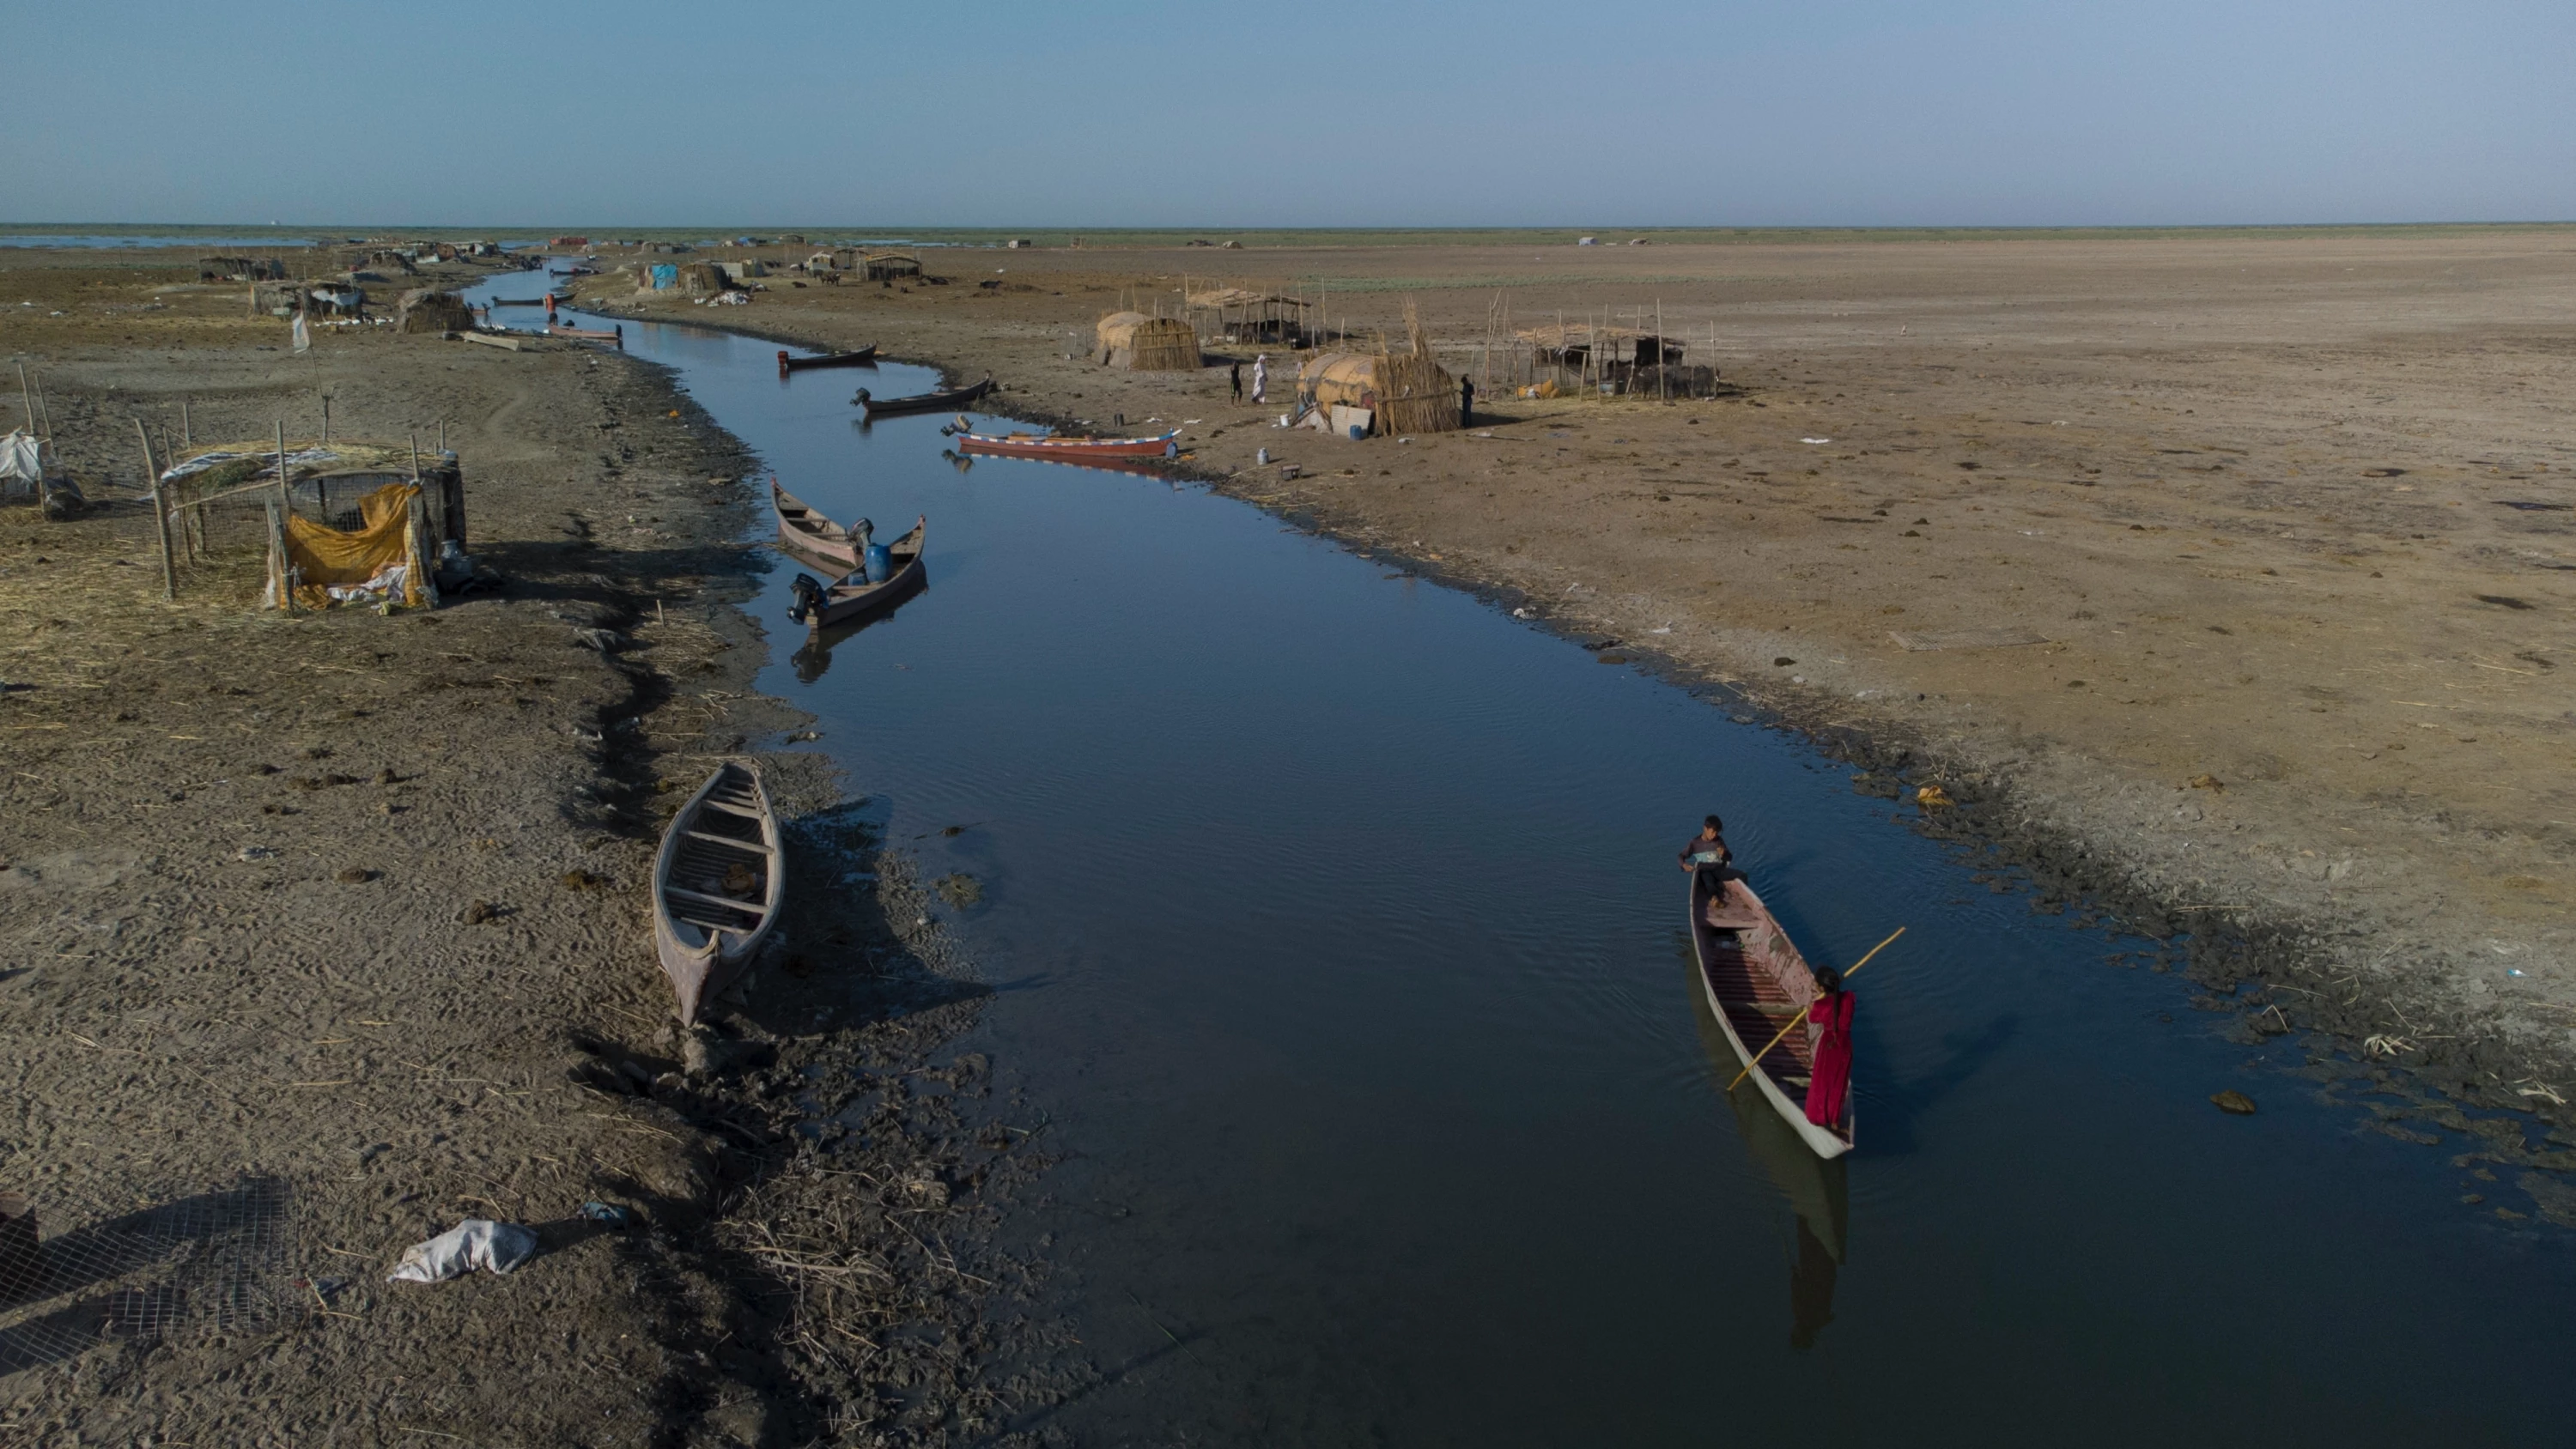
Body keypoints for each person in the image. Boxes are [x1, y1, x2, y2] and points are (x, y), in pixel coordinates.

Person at [1803, 966, 1856, 1130]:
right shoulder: (1849, 998)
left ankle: (1817, 1118)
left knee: (1822, 1083)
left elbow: (1812, 1019)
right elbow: (1843, 999)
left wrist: (1810, 1009)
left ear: (1821, 988)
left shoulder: (1821, 1006)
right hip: (1845, 1045)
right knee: (1838, 1083)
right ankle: (1834, 1121)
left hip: (1829, 1047)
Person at [1679, 814, 1741, 908]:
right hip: (1704, 870)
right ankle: (1715, 899)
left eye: (1717, 832)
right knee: (1709, 883)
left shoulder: (1719, 841)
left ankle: (1740, 899)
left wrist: (1724, 854)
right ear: (1705, 829)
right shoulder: (1695, 843)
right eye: (1713, 832)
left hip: (1719, 870)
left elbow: (1729, 857)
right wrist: (1683, 865)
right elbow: (1681, 855)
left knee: (1742, 875)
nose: (1715, 834)